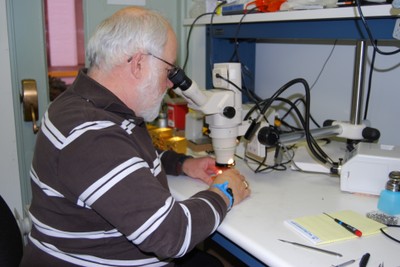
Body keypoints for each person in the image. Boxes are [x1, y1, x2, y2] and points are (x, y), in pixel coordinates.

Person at [20, 6, 250, 267]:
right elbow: (170, 235)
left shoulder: (84, 105)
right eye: (169, 70)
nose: (171, 83)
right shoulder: (91, 133)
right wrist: (224, 193)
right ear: (139, 63)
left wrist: (182, 164)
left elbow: (125, 157)